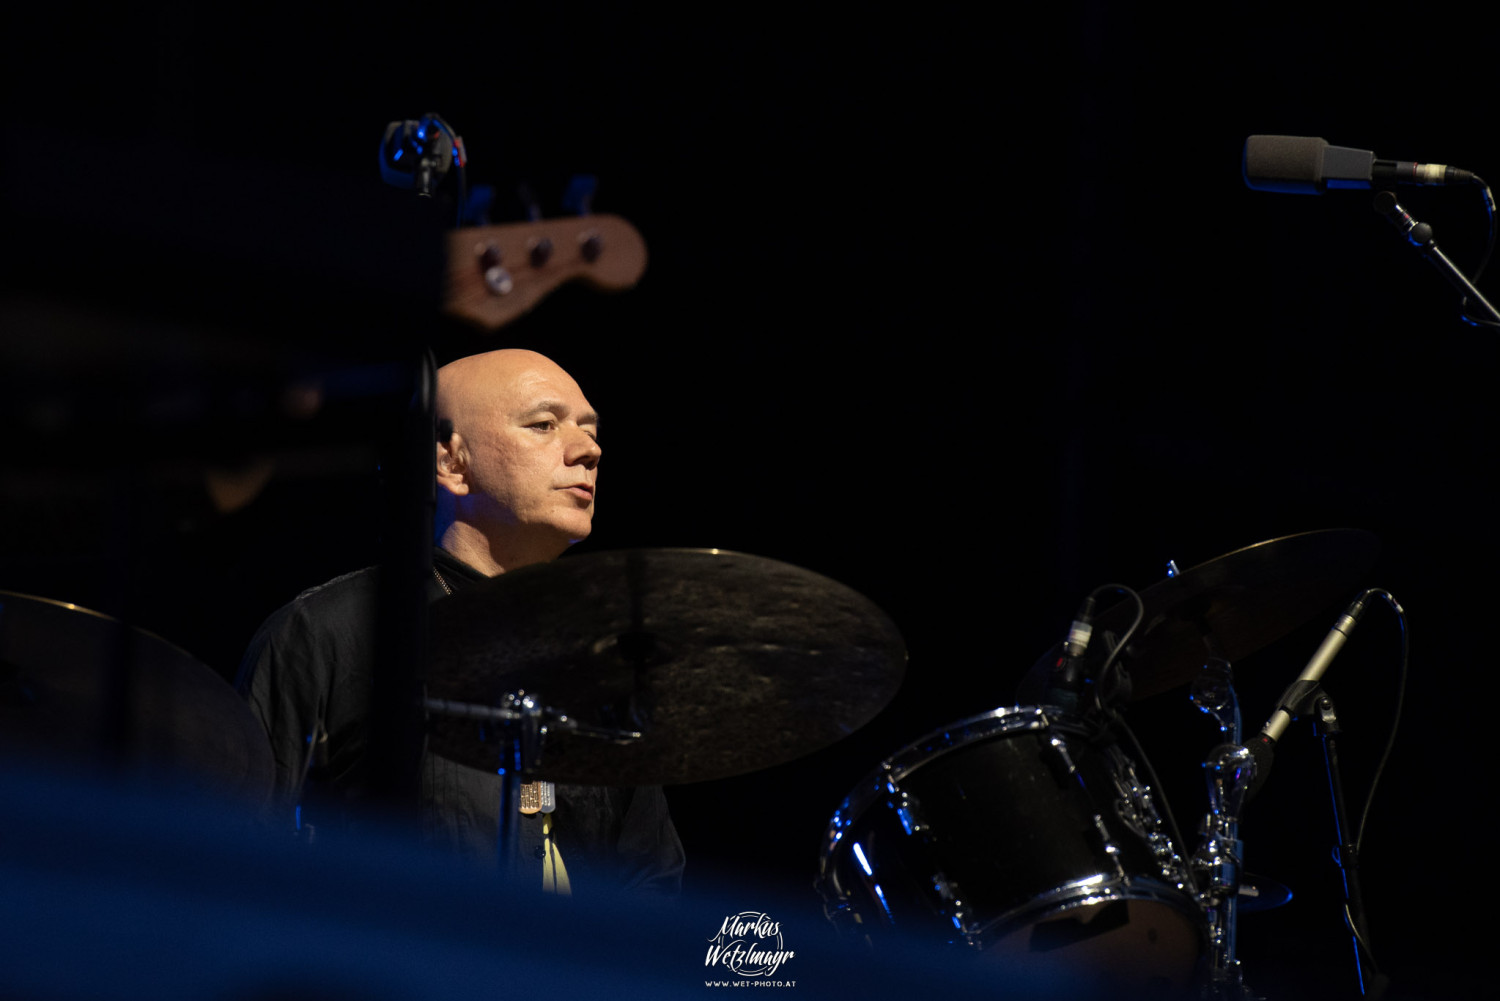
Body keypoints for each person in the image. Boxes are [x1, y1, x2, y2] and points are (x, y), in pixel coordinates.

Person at [237, 348, 685, 896]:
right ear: (450, 462)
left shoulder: (602, 664)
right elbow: (243, 849)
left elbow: (652, 885)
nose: (588, 450)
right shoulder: (327, 632)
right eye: (544, 425)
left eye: (590, 431)